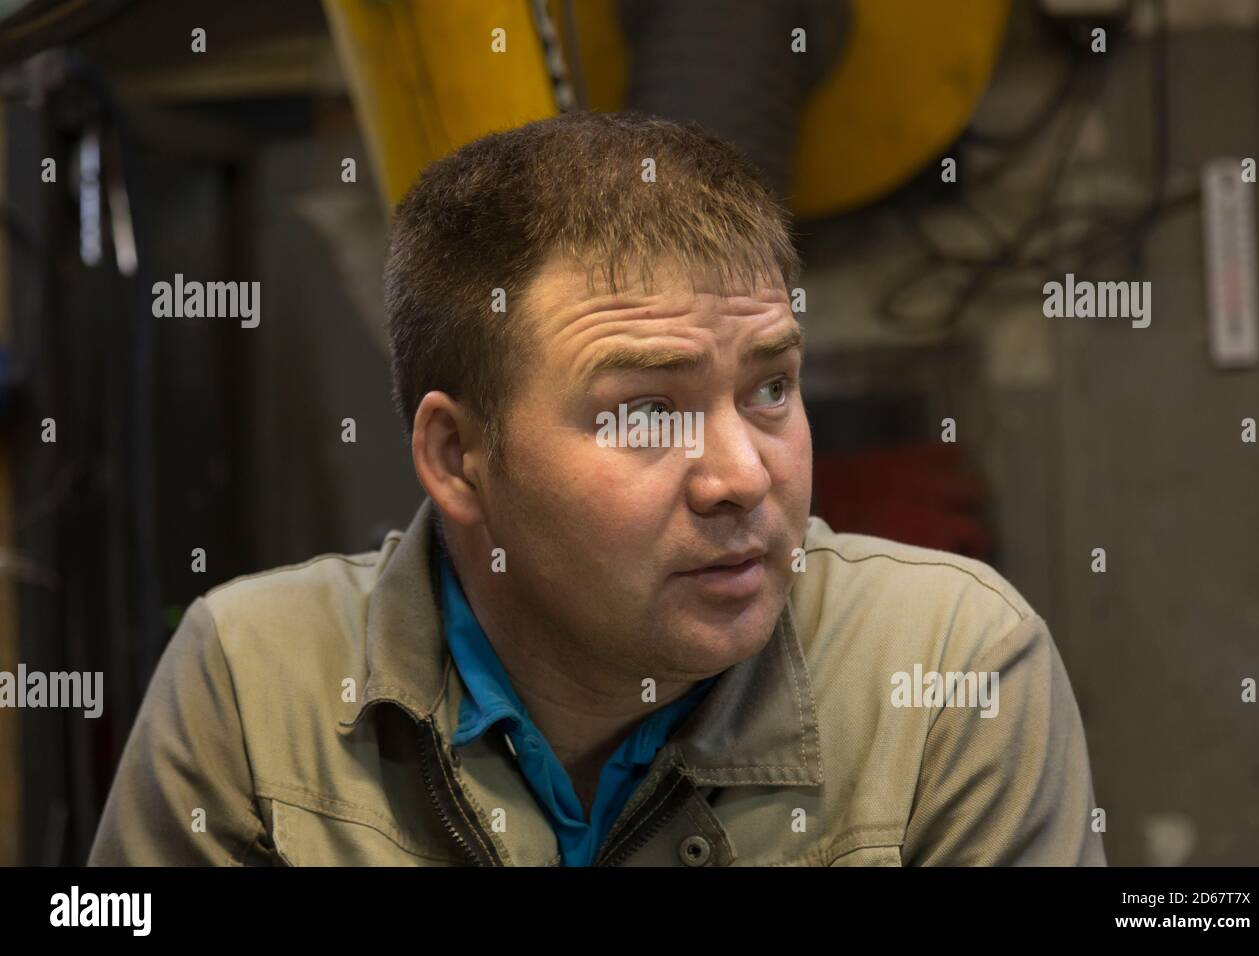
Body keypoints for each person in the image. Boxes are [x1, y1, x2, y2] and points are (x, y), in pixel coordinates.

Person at [88, 110, 1105, 866]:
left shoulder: (949, 668)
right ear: (456, 457)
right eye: (645, 411)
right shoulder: (253, 679)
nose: (743, 474)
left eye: (771, 387)